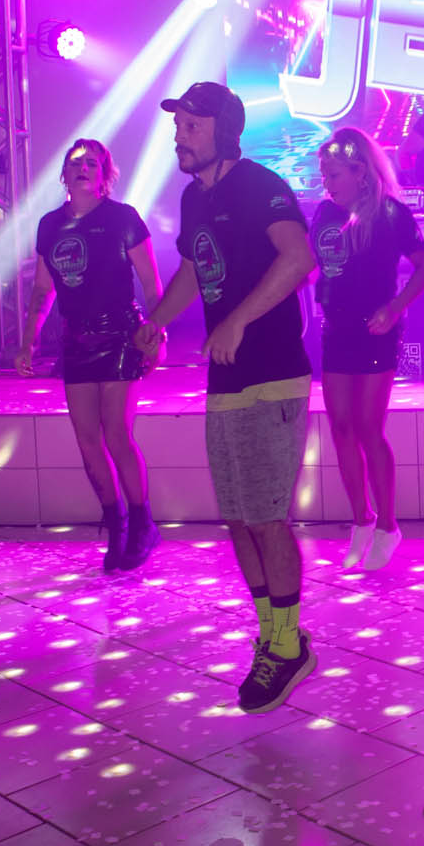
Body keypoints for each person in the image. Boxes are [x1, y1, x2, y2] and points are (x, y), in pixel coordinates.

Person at [134, 82, 318, 713]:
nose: (179, 135)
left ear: (226, 131)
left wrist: (237, 320)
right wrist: (157, 321)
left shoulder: (259, 185)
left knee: (266, 518)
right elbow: (193, 269)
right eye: (178, 124)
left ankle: (288, 647)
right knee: (239, 519)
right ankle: (272, 634)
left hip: (273, 372)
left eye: (192, 124)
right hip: (226, 378)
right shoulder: (195, 198)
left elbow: (299, 258)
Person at [16, 139, 163, 573]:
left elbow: (151, 284)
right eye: (75, 162)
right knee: (86, 440)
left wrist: (156, 332)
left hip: (121, 337)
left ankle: (142, 524)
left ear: (105, 175)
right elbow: (42, 289)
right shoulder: (49, 225)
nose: (83, 168)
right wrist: (27, 342)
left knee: (116, 433)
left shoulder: (123, 219)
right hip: (76, 341)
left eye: (92, 163)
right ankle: (115, 524)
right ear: (63, 174)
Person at [311, 128, 424, 571]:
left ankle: (387, 525)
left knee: (368, 428)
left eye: (334, 174)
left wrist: (395, 308)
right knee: (341, 428)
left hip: (376, 330)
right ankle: (360, 521)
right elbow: (315, 264)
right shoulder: (325, 212)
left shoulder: (390, 212)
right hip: (336, 329)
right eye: (324, 174)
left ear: (361, 172)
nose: (327, 183)